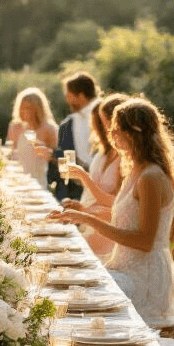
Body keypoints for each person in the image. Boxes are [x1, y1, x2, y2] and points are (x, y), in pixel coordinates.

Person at [51, 96, 174, 328]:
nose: (111, 134)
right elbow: (123, 216)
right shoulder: (136, 169)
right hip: (125, 267)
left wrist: (88, 218)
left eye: (116, 130)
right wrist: (83, 213)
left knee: (76, 297)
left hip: (144, 278)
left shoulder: (151, 177)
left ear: (134, 134)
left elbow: (144, 240)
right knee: (69, 288)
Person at [64, 92, 128, 255]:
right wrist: (82, 208)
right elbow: (97, 190)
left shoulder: (126, 158)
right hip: (95, 221)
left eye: (105, 122)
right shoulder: (104, 152)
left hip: (111, 233)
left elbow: (117, 205)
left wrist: (83, 177)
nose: (105, 128)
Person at [47, 71, 100, 200]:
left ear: (81, 96)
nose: (66, 100)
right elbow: (65, 156)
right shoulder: (69, 123)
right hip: (77, 188)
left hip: (103, 185)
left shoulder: (104, 115)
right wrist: (52, 154)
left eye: (69, 96)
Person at [6, 87, 58, 189]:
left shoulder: (49, 129)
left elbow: (58, 159)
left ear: (37, 109)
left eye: (28, 108)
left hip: (37, 181)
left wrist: (49, 156)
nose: (23, 111)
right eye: (21, 107)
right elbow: (10, 153)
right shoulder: (15, 126)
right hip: (16, 180)